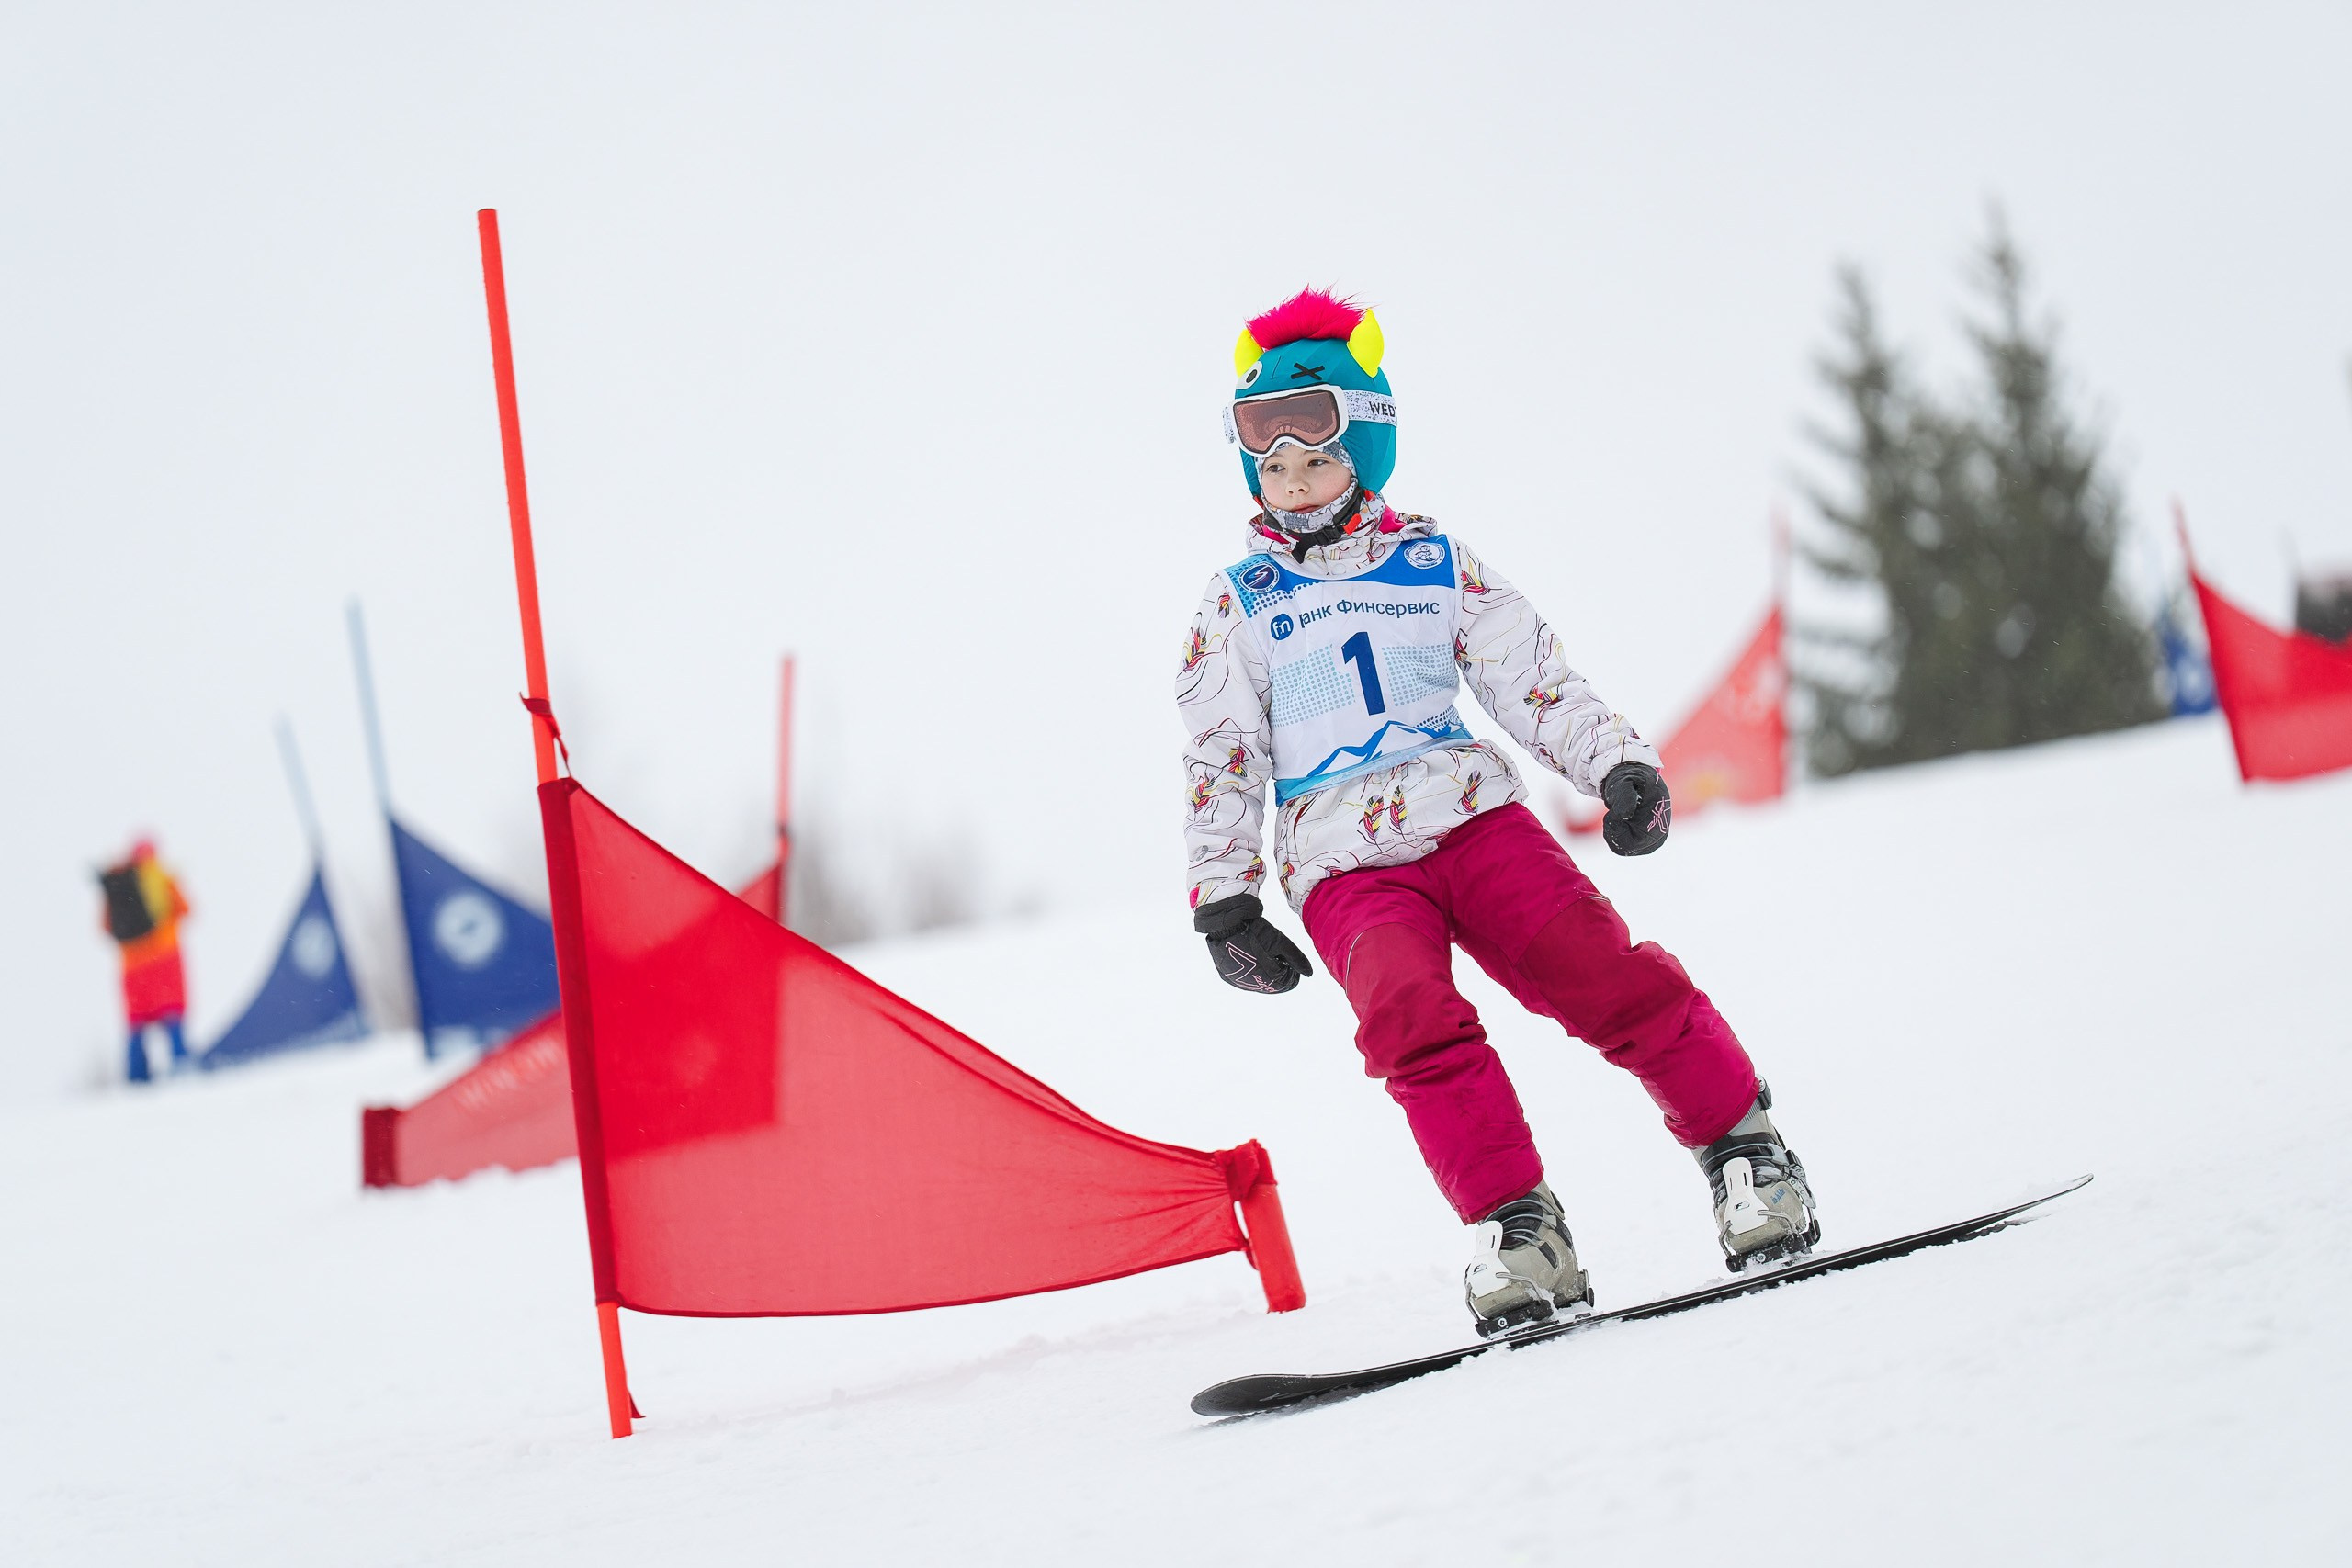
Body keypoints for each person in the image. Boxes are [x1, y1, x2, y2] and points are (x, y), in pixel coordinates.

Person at [1175, 289, 1818, 1336]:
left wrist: (1613, 767)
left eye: (1317, 458)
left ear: (1366, 455)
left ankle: (1746, 1151)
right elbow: (1220, 753)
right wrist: (1226, 901)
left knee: (1598, 972)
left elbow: (1532, 682)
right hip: (1344, 863)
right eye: (1271, 464)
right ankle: (1521, 1231)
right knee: (1408, 1024)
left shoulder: (1431, 563)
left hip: (1471, 819)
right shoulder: (1238, 601)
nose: (1292, 484)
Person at [98, 839, 192, 1082]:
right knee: (172, 1012)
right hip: (166, 959)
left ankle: (136, 1076)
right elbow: (187, 909)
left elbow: (105, 927)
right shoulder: (161, 878)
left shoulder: (119, 884)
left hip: (133, 968)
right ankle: (182, 1066)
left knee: (136, 1022)